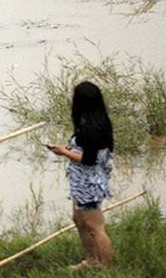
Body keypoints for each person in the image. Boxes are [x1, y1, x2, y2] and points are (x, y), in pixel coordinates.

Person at [47, 81, 114, 269]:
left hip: (90, 182)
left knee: (96, 227)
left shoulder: (91, 128)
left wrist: (63, 152)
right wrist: (71, 147)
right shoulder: (94, 121)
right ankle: (91, 260)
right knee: (79, 219)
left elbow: (89, 159)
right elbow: (89, 150)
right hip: (82, 181)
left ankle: (106, 268)